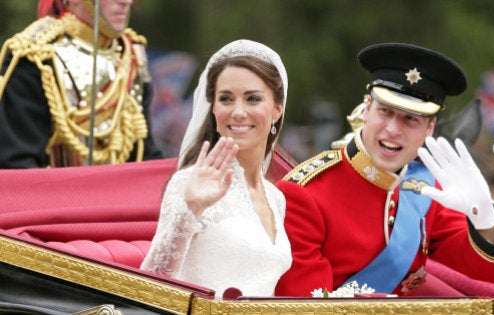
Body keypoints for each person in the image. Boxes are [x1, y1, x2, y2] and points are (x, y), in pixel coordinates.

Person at [275, 43, 494, 296]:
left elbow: (491, 272)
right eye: (385, 111)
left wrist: (483, 217)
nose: (392, 129)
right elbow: (304, 307)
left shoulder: (424, 189)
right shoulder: (304, 193)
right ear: (367, 108)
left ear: (430, 128)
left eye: (410, 119)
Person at [141, 39, 291, 298]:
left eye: (253, 99)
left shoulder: (276, 198)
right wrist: (191, 209)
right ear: (213, 109)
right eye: (226, 99)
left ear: (277, 109)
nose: (238, 112)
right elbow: (149, 290)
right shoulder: (188, 182)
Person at [0, 0, 162, 168]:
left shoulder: (131, 56)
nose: (126, 1)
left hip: (119, 191)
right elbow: (17, 162)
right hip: (53, 191)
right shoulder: (36, 57)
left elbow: (144, 154)